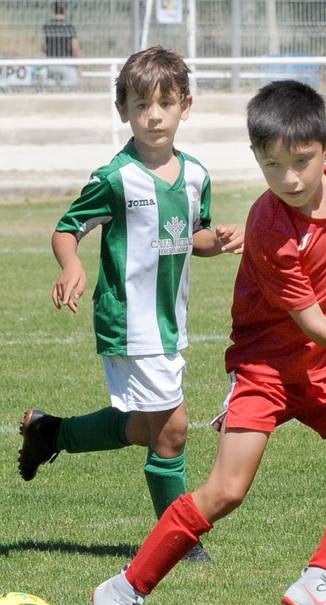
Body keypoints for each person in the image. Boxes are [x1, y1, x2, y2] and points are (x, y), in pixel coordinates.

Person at [87, 80, 326, 605]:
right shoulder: (271, 227)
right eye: (273, 167)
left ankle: (320, 581)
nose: (290, 179)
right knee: (225, 492)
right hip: (266, 369)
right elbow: (312, 322)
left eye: (301, 162)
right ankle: (122, 591)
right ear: (257, 161)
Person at [19, 46, 243, 565]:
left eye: (165, 103)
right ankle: (180, 539)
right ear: (123, 110)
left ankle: (49, 431)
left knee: (146, 427)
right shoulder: (115, 177)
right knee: (174, 430)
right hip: (129, 318)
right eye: (141, 105)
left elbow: (195, 236)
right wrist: (71, 266)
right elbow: (67, 228)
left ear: (186, 106)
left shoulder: (195, 175)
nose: (154, 115)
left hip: (170, 320)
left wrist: (219, 238)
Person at [43, 1, 80, 88]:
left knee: (50, 91)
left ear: (54, 11)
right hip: (66, 64)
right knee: (69, 90)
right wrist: (78, 66)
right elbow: (75, 48)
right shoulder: (69, 27)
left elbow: (43, 46)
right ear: (65, 11)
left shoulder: (47, 27)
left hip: (50, 64)